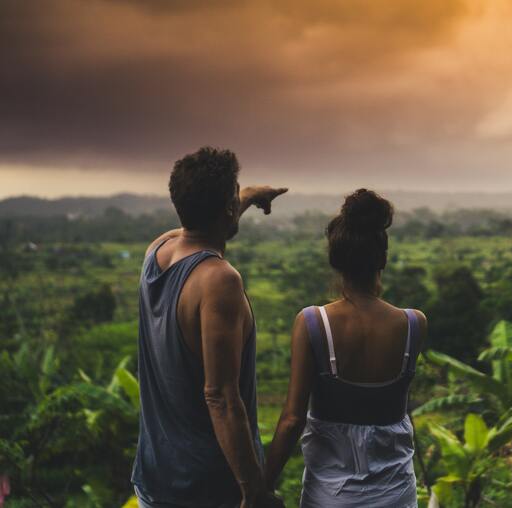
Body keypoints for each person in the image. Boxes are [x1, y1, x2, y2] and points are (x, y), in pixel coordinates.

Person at [131, 146, 287, 508]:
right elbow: (220, 396)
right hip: (207, 489)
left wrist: (244, 197)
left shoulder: (157, 251)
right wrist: (254, 492)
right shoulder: (218, 280)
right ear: (227, 209)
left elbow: (197, 226)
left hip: (156, 480)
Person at [264, 189, 426, 507]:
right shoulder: (413, 325)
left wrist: (259, 487)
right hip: (397, 495)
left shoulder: (313, 323)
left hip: (329, 496)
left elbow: (292, 419)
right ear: (383, 258)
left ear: (335, 260)